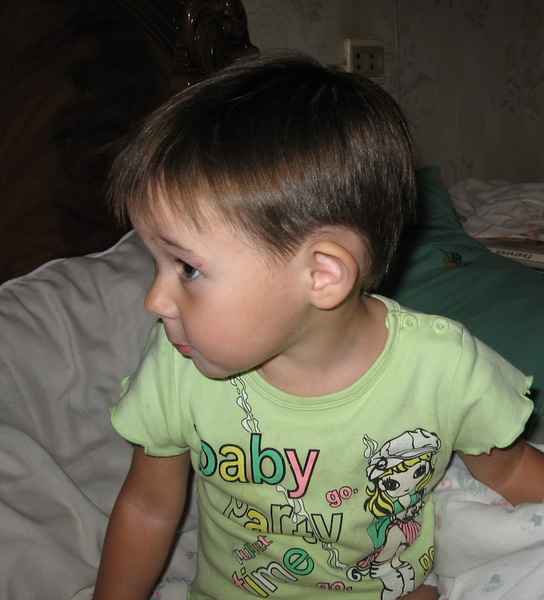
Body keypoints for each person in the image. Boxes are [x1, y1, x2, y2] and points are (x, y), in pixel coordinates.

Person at [93, 52, 544, 600]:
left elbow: (510, 471)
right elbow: (147, 506)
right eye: (155, 263)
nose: (154, 300)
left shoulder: (443, 369)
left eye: (187, 268)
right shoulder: (177, 364)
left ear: (322, 275)